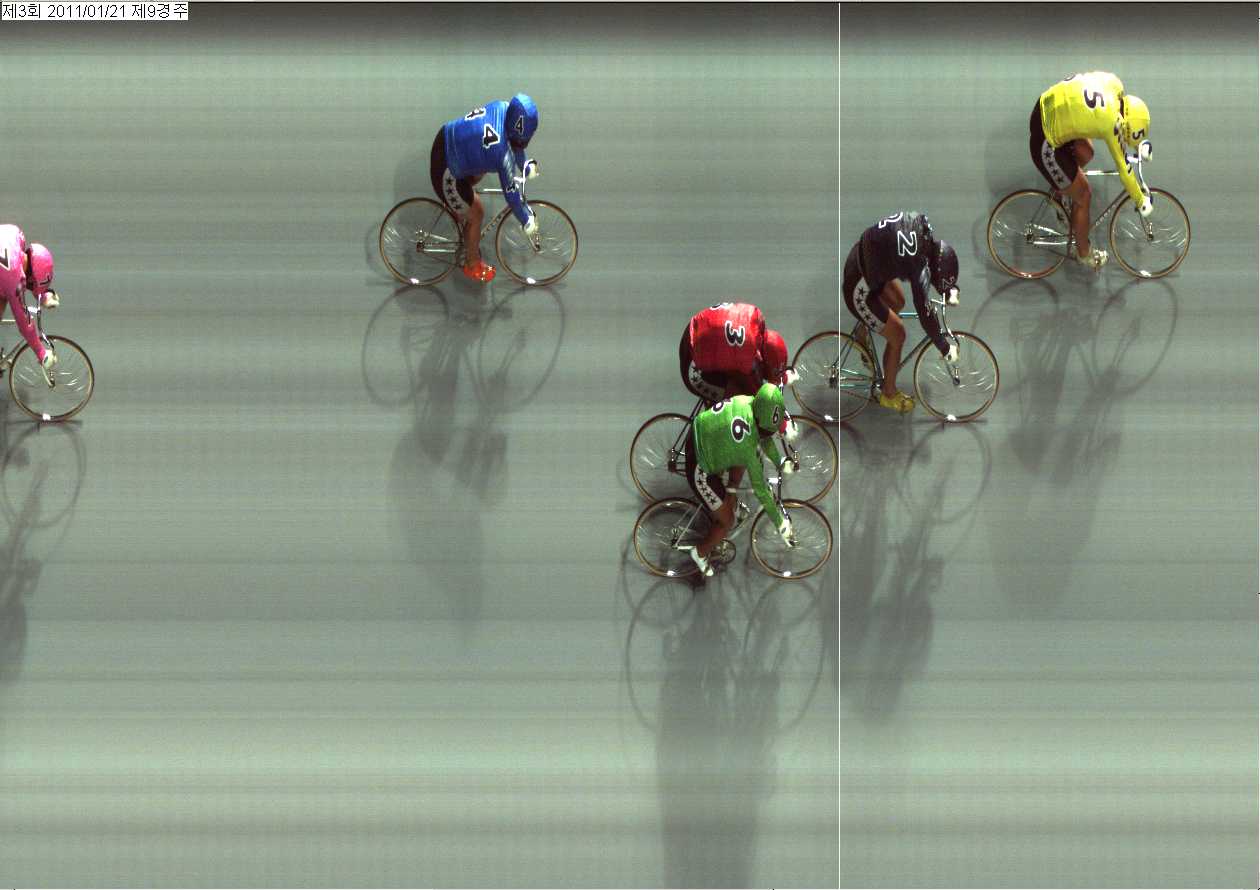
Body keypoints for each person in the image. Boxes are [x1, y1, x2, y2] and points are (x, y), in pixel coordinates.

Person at [1031, 71, 1153, 271]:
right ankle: (1083, 253)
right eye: (1125, 136)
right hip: (1045, 142)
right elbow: (1124, 168)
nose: (1123, 139)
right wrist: (1140, 200)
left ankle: (1060, 191)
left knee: (1086, 152)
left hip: (1045, 105)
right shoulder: (1112, 123)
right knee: (1084, 195)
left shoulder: (1115, 84)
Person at [842, 211, 958, 414]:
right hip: (858, 287)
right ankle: (888, 394)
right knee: (898, 335)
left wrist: (949, 290)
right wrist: (944, 346)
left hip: (863, 260)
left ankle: (863, 330)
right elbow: (924, 311)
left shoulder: (923, 227)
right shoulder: (919, 267)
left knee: (898, 301)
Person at [683, 383, 795, 578]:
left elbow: (763, 436)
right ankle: (699, 553)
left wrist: (779, 461)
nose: (770, 435)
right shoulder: (748, 446)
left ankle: (730, 494)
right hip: (699, 468)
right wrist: (780, 523)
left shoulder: (749, 401)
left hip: (702, 432)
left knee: (742, 458)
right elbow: (761, 491)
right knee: (727, 522)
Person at [430, 93, 541, 283]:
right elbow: (510, 193)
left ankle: (461, 206)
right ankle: (472, 264)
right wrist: (525, 219)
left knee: (482, 167)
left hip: (446, 135)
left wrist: (524, 165)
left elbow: (515, 142)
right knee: (477, 213)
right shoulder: (501, 154)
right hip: (445, 168)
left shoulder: (504, 107)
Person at [679, 301, 793, 405]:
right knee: (741, 402)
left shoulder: (756, 316)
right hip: (692, 361)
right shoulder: (749, 359)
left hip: (696, 329)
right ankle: (709, 420)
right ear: (765, 361)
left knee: (736, 379)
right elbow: (759, 398)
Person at [0, 225, 58, 372]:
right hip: (7, 275)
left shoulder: (16, 233)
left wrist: (42, 295)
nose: (28, 287)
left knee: (3, 293)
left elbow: (28, 274)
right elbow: (24, 323)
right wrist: (41, 353)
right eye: (31, 285)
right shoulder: (14, 278)